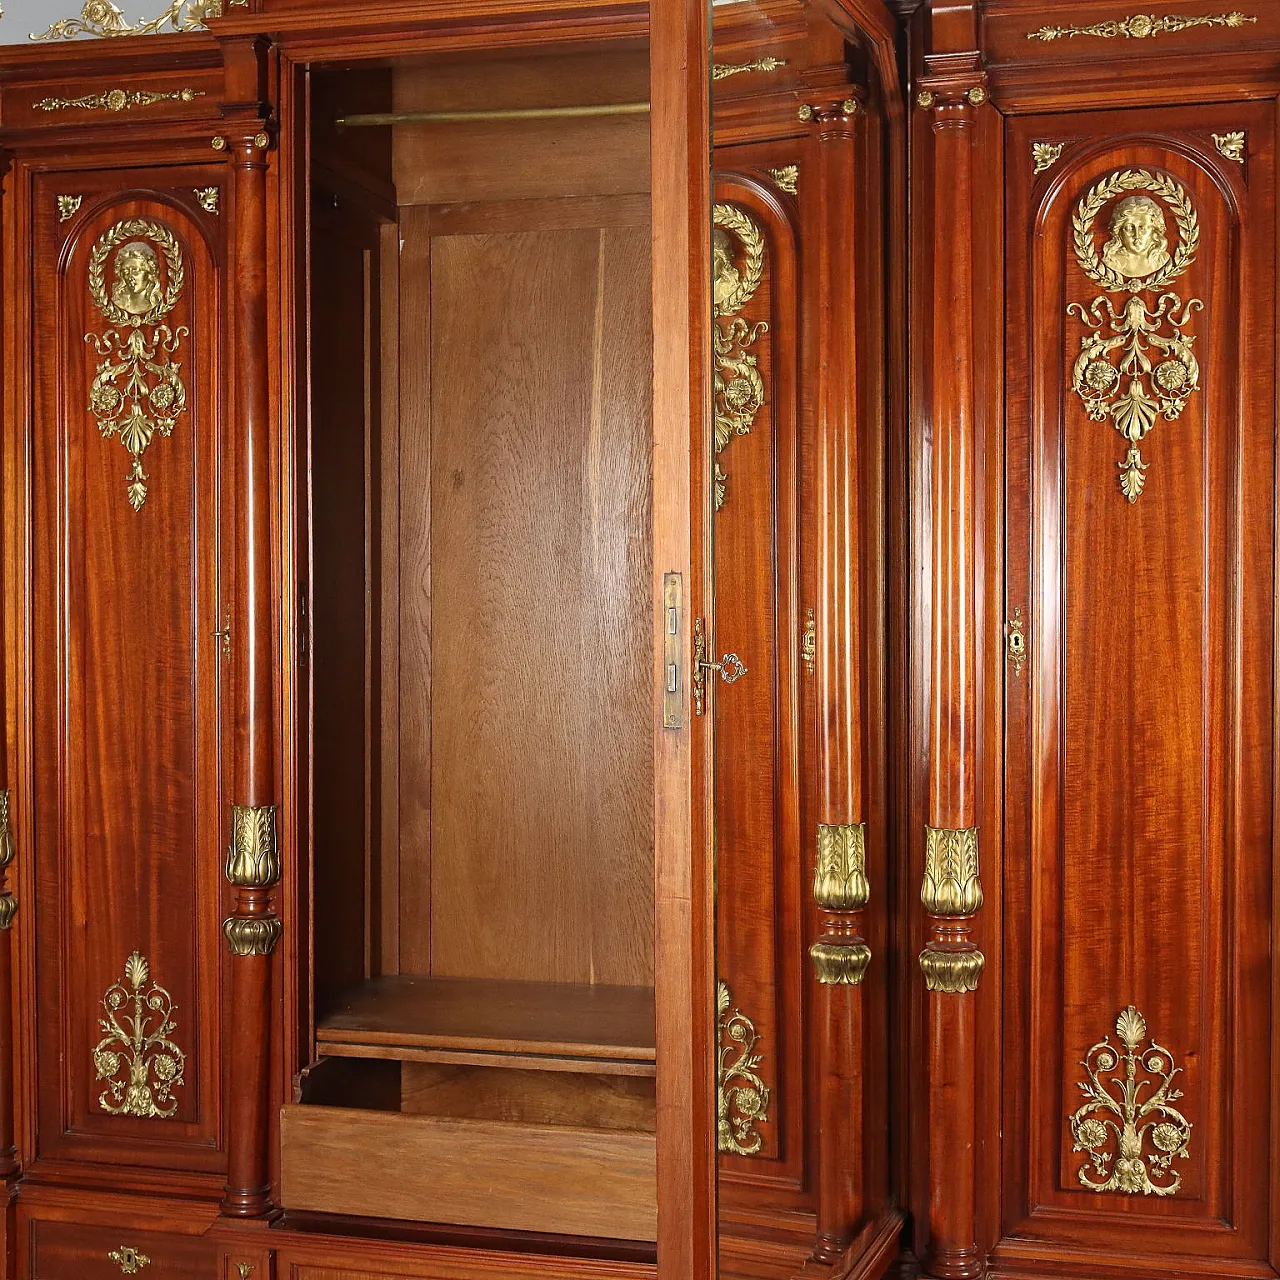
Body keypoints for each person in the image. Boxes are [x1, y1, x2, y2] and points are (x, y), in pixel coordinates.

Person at [1101, 194, 1170, 279]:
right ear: (1119, 233)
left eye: (1143, 228)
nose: (1136, 235)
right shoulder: (1112, 261)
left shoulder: (1161, 260)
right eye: (1129, 228)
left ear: (1154, 231)